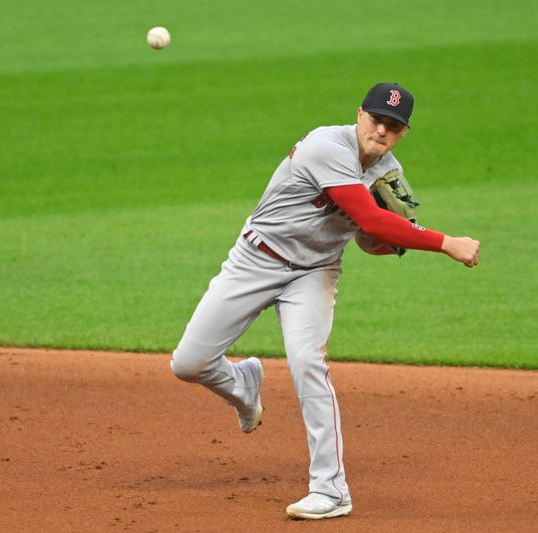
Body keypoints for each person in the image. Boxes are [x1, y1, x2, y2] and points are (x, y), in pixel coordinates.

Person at [170, 82, 480, 520]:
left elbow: (369, 237)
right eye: (376, 120)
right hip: (256, 259)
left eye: (394, 126)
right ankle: (242, 385)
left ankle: (330, 490)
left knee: (307, 362)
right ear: (359, 115)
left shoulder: (387, 172)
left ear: (403, 132)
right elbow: (371, 216)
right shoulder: (325, 146)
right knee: (188, 364)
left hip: (313, 274)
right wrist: (445, 241)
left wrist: (387, 242)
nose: (382, 131)